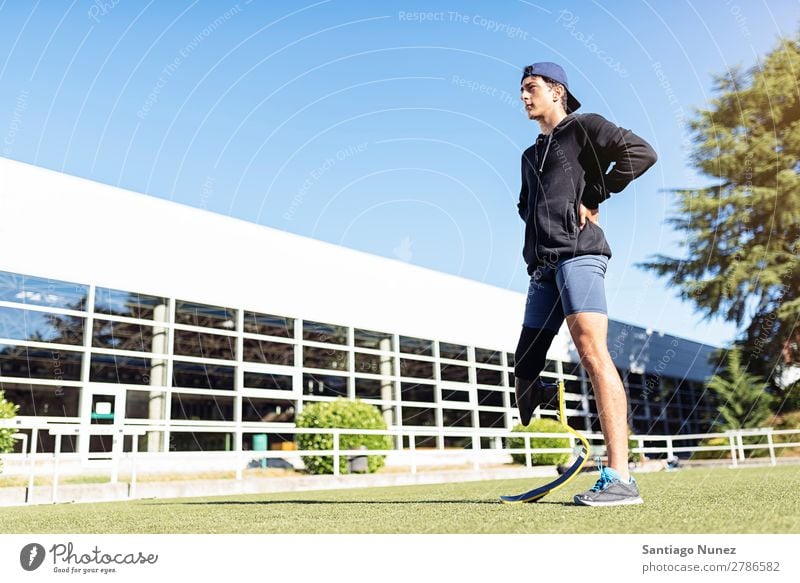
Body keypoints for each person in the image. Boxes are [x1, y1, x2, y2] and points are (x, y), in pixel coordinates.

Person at [514, 62, 657, 506]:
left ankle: (620, 477)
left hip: (580, 256)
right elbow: (526, 205)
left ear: (557, 92)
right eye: (521, 90)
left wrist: (594, 193)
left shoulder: (583, 127)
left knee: (593, 355)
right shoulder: (530, 155)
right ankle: (549, 397)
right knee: (523, 369)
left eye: (530, 88)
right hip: (543, 269)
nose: (523, 97)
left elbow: (641, 152)